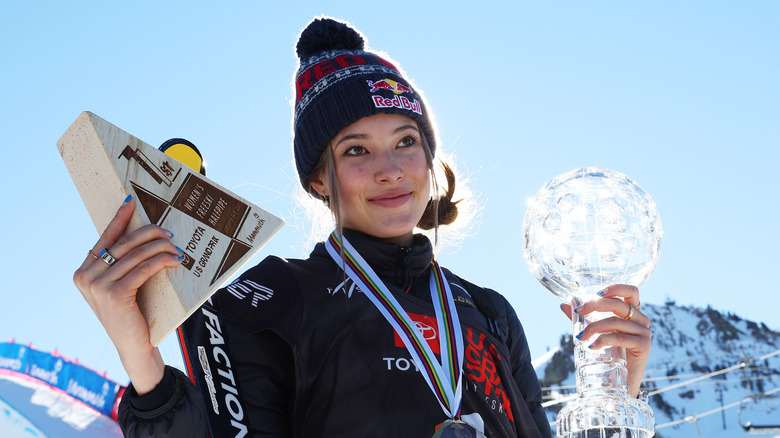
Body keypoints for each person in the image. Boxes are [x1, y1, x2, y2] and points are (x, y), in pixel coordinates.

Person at [72, 17, 652, 438]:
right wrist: (139, 354)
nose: (391, 169)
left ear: (431, 157)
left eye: (406, 141)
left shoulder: (488, 312)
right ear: (320, 179)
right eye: (356, 151)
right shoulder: (268, 299)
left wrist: (615, 402)